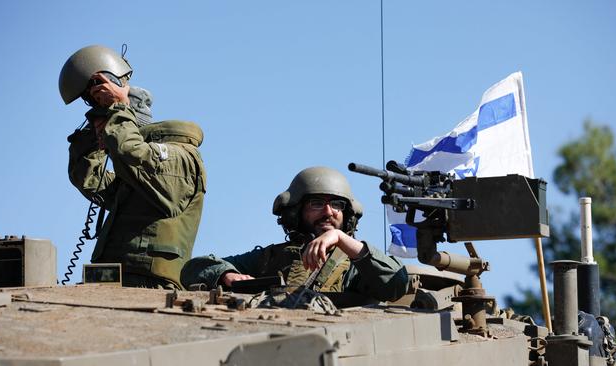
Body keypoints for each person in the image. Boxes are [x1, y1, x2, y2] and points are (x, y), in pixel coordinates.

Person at [60, 45, 206, 289]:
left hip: (149, 285)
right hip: (112, 280)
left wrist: (118, 108)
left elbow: (133, 153)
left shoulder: (180, 156)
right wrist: (91, 140)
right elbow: (91, 181)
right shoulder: (134, 176)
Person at [181, 167, 408, 303]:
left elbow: (396, 284)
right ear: (296, 212)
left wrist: (340, 239)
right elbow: (193, 269)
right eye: (317, 204)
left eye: (337, 205)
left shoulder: (357, 265)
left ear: (346, 214)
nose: (328, 212)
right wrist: (225, 274)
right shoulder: (271, 257)